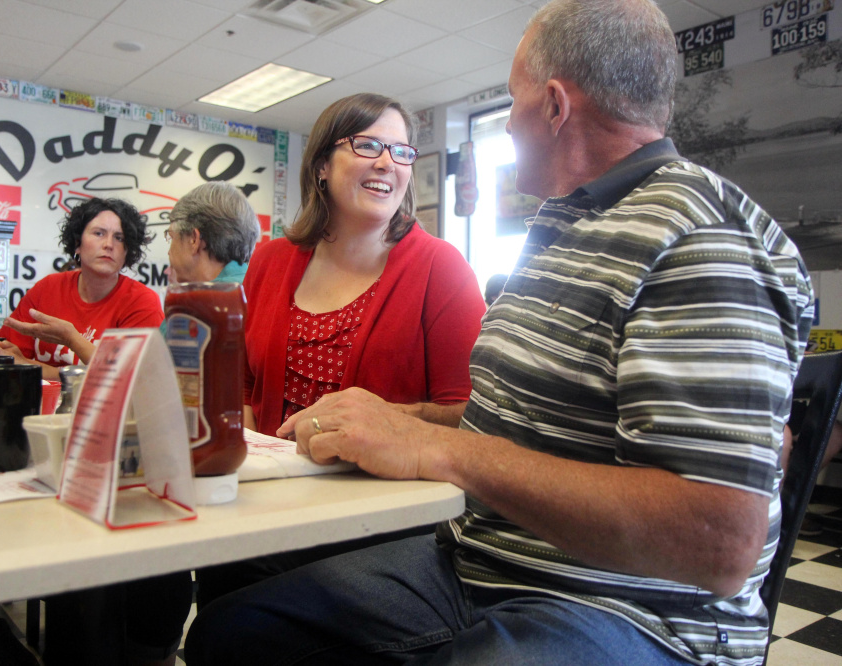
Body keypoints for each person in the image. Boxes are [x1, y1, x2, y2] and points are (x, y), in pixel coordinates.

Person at [184, 1, 814, 664]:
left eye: (511, 103)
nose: (509, 124)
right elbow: (521, 430)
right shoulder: (566, 226)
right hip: (481, 562)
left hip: (634, 611)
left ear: (551, 106)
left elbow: (712, 540)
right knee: (234, 630)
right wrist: (392, 426)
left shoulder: (700, 238)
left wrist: (435, 448)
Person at [194, 92, 487, 610]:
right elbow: (241, 387)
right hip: (266, 504)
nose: (386, 163)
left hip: (380, 525)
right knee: (209, 598)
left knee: (244, 623)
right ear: (323, 165)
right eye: (368, 144)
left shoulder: (441, 268)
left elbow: (474, 416)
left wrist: (383, 423)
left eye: (401, 152)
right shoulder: (270, 260)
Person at [0, 197, 163, 380]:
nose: (109, 244)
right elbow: (11, 359)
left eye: (119, 238)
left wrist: (71, 339)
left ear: (128, 251)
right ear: (77, 244)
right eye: (99, 233)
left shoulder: (142, 301)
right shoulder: (47, 288)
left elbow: (127, 379)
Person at [165, 181, 260, 283]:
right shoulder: (260, 287)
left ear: (194, 239)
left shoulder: (205, 298)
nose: (169, 252)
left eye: (171, 237)